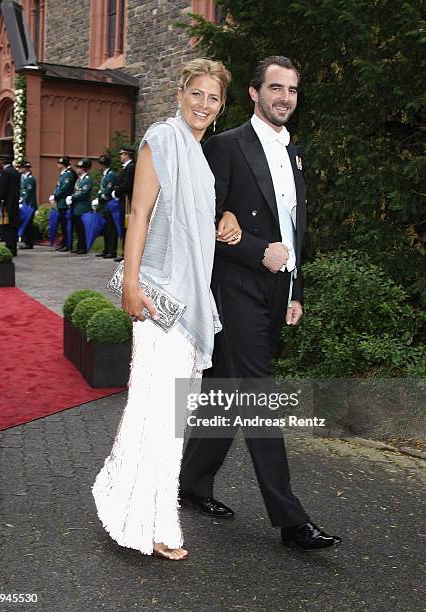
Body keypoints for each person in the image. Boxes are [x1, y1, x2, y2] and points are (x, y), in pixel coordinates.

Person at [179, 56, 342, 551]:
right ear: (254, 93)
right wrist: (255, 251)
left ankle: (190, 483)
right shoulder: (227, 147)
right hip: (235, 287)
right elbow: (201, 221)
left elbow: (295, 229)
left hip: (276, 289)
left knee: (228, 391)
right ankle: (290, 519)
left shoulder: (294, 154)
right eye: (275, 88)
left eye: (292, 89)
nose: (284, 98)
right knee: (257, 395)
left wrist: (295, 290)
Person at [92, 58, 241, 561]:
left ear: (221, 108)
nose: (203, 104)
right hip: (158, 299)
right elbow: (140, 214)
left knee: (167, 414)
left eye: (213, 98)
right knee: (157, 412)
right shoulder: (162, 136)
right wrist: (130, 284)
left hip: (190, 297)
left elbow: (196, 220)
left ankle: (131, 504)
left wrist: (226, 219)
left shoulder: (201, 158)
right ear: (180, 93)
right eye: (196, 93)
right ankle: (150, 522)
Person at [112, 146, 135, 262]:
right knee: (123, 227)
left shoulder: (130, 167)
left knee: (126, 227)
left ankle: (127, 253)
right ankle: (124, 252)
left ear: (127, 155)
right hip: (123, 199)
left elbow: (126, 185)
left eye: (122, 154)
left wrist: (116, 191)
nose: (120, 156)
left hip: (127, 201)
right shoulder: (126, 167)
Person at [0, 153, 20, 256]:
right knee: (13, 226)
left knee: (7, 226)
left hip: (7, 204)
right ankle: (13, 248)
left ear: (2, 162)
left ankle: (9, 247)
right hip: (15, 203)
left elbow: (2, 190)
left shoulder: (5, 172)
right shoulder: (16, 172)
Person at [50, 156, 76, 252]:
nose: (57, 165)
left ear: (63, 164)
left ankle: (67, 244)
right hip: (61, 203)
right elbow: (58, 186)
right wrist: (54, 194)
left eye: (59, 163)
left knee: (66, 225)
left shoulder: (68, 174)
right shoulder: (63, 174)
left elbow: (64, 188)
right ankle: (64, 243)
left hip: (65, 203)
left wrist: (55, 196)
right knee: (63, 225)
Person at [67, 158, 92, 254]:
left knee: (82, 229)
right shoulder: (79, 180)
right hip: (76, 208)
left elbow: (83, 193)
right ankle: (79, 246)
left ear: (83, 169)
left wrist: (72, 198)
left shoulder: (87, 180)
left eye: (79, 167)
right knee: (77, 229)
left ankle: (83, 247)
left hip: (82, 208)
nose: (77, 169)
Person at [94, 154, 117, 259]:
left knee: (110, 229)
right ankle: (106, 249)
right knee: (105, 229)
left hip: (108, 205)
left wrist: (99, 199)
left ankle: (112, 251)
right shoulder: (105, 175)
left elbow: (108, 190)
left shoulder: (111, 175)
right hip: (104, 206)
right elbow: (102, 189)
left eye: (101, 164)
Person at [18, 161, 37, 249]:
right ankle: (26, 241)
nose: (19, 169)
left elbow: (28, 193)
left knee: (28, 224)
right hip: (25, 204)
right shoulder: (24, 178)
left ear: (25, 168)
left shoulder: (30, 179)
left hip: (29, 205)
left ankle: (29, 243)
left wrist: (23, 201)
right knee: (26, 223)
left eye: (21, 167)